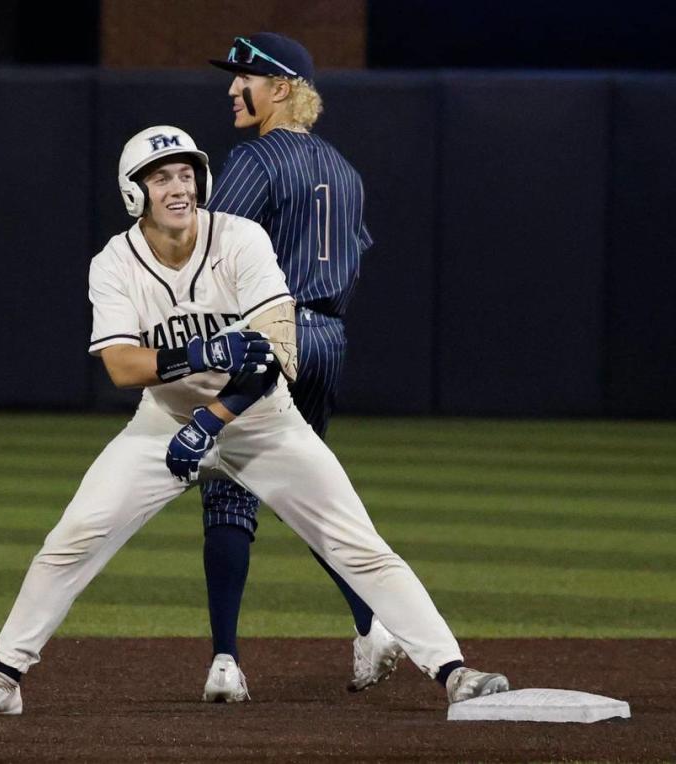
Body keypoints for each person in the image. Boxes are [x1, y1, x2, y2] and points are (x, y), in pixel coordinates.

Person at [0, 125, 509, 717]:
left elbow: (272, 355)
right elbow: (120, 365)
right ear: (134, 192)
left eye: (187, 173)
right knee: (72, 539)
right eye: (161, 177)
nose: (178, 187)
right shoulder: (115, 261)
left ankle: (453, 672)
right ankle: (6, 677)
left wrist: (209, 422)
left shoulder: (241, 238)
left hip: (262, 421)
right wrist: (200, 357)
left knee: (357, 543)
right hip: (162, 421)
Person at [198, 32, 399, 700]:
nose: (232, 88)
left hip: (269, 334)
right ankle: (373, 626)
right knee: (305, 491)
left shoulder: (254, 160)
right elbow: (354, 259)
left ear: (281, 88)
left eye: (245, 78)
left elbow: (212, 258)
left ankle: (225, 663)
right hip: (328, 340)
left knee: (229, 486)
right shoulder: (346, 171)